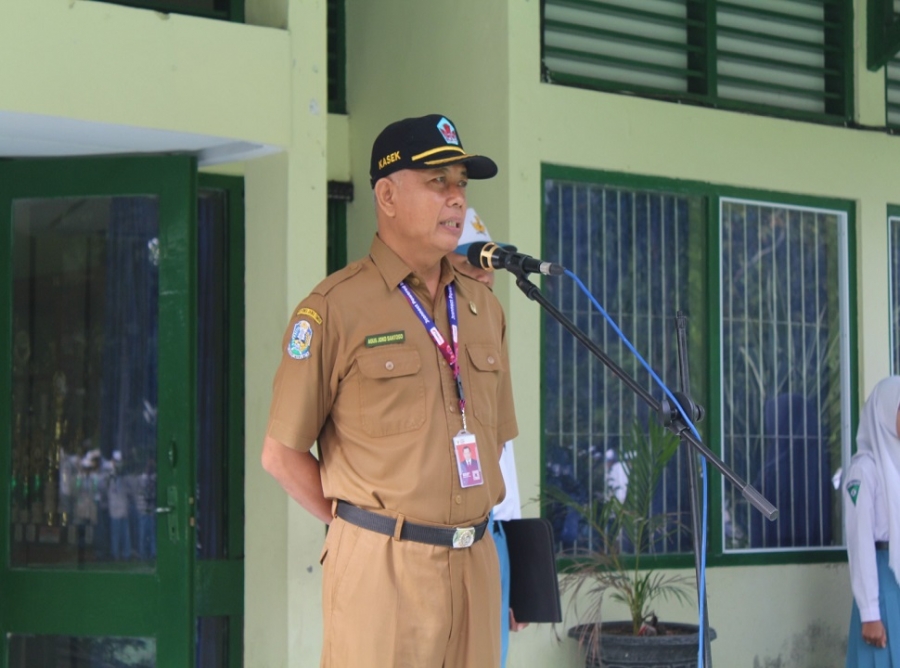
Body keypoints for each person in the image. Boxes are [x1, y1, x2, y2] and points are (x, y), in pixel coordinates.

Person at [261, 114, 518, 668]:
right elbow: (280, 455)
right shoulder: (334, 308)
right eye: (437, 182)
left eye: (461, 184)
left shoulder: (482, 307)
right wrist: (365, 532)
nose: (456, 199)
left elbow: (495, 441)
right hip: (384, 568)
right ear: (387, 195)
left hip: (476, 563)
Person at [449, 207, 528, 668]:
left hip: (493, 536)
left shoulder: (491, 344)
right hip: (443, 541)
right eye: (467, 268)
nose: (482, 280)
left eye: (488, 270)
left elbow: (504, 465)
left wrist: (514, 574)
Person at [844, 376, 900, 667]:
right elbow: (860, 542)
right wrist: (870, 613)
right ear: (885, 412)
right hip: (882, 582)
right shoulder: (863, 471)